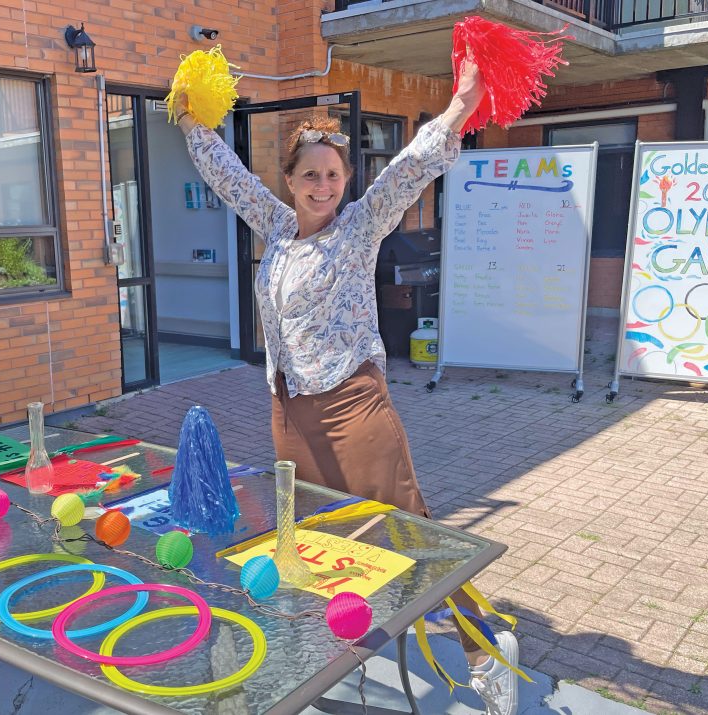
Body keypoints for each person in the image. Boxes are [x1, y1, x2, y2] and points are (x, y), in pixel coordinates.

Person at [174, 60, 519, 715]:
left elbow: (409, 170)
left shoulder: (359, 227)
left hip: (354, 409)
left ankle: (483, 645)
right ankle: (316, 653)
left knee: (408, 534)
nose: (323, 186)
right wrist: (192, 121)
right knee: (313, 540)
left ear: (346, 180)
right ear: (290, 181)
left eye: (333, 175)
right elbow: (229, 177)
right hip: (289, 413)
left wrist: (459, 107)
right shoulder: (277, 229)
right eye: (310, 175)